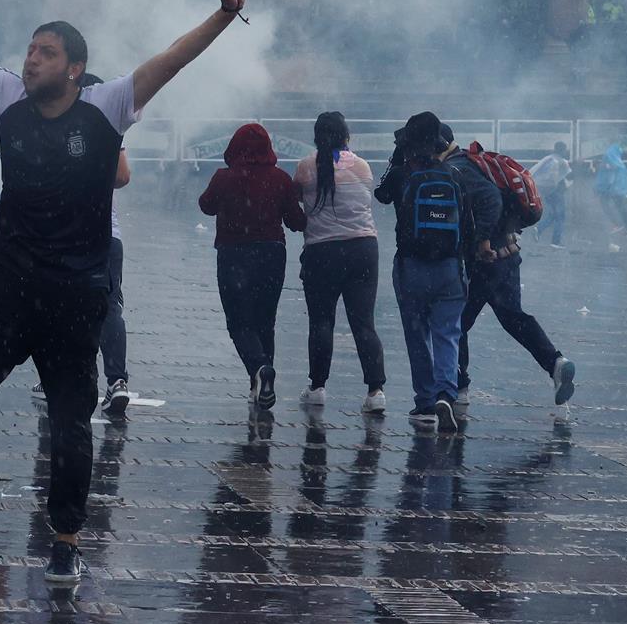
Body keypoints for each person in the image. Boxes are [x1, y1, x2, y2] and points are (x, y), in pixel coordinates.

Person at [0, 0, 247, 587]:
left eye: (46, 53)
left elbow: (172, 60)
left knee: (71, 422)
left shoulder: (107, 108)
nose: (31, 60)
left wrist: (221, 16)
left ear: (76, 69)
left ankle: (66, 540)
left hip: (76, 292)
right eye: (29, 49)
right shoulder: (6, 96)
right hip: (5, 283)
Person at [376, 113, 497, 432]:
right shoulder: (455, 175)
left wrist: (397, 158)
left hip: (412, 267)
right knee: (448, 332)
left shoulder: (404, 174)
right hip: (449, 267)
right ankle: (447, 392)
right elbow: (469, 227)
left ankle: (426, 401)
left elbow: (381, 195)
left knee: (417, 335)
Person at [453, 146, 576, 409]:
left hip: (485, 260)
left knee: (455, 323)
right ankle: (556, 363)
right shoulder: (477, 164)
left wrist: (483, 239)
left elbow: (490, 201)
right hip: (507, 256)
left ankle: (458, 386)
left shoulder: (458, 168)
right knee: (513, 317)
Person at [199, 122, 306, 407]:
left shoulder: (224, 178)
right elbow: (296, 222)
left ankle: (259, 369)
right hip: (272, 254)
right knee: (264, 320)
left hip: (234, 254)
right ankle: (260, 385)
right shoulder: (281, 179)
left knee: (238, 322)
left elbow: (206, 206)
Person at [290, 111, 386, 414]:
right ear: (346, 136)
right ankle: (375, 391)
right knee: (364, 323)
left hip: (323, 253)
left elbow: (295, 200)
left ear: (317, 136)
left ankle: (317, 387)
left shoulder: (305, 167)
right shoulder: (362, 166)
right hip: (363, 249)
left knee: (321, 322)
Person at [101, 146, 134, 418]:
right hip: (105, 233)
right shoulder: (105, 118)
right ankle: (116, 380)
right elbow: (122, 175)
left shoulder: (45, 112)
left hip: (60, 230)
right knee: (109, 308)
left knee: (59, 306)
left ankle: (57, 376)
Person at [530, 142, 572, 249]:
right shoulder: (562, 162)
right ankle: (556, 241)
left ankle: (539, 229)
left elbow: (534, 171)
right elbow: (567, 176)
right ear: (563, 150)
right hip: (556, 191)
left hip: (546, 191)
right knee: (560, 216)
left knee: (553, 214)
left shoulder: (548, 158)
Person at [592, 143, 627, 232]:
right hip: (617, 189)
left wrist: (603, 188)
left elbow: (609, 174)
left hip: (611, 188)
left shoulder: (613, 163)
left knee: (606, 205)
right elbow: (607, 168)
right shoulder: (619, 163)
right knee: (619, 206)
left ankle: (618, 224)